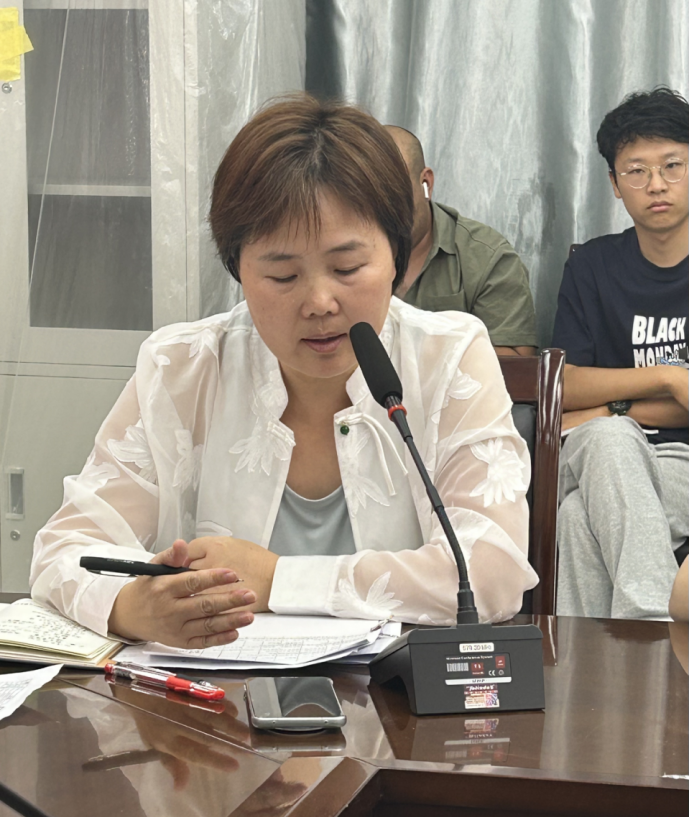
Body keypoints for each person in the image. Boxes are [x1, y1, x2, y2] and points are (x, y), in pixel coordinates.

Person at [30, 96, 537, 648]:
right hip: (216, 697)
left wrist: (276, 580)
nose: (319, 302)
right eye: (282, 276)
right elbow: (65, 549)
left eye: (347, 267)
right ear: (238, 271)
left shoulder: (450, 356)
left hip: (396, 697)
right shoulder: (183, 367)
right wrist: (133, 607)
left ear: (397, 256)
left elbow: (492, 573)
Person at [552, 87, 689, 619]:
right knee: (608, 442)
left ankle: (584, 671)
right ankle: (653, 631)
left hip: (681, 463)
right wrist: (669, 378)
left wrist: (610, 409)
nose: (656, 184)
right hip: (598, 451)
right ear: (614, 184)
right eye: (636, 171)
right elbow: (563, 385)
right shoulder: (591, 266)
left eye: (672, 165)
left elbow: (585, 402)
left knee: (576, 518)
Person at [384, 125, 538, 356]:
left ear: (426, 183)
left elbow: (518, 366)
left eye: (394, 190)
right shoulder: (340, 253)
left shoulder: (487, 258)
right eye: (369, 192)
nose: (383, 206)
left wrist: (420, 341)